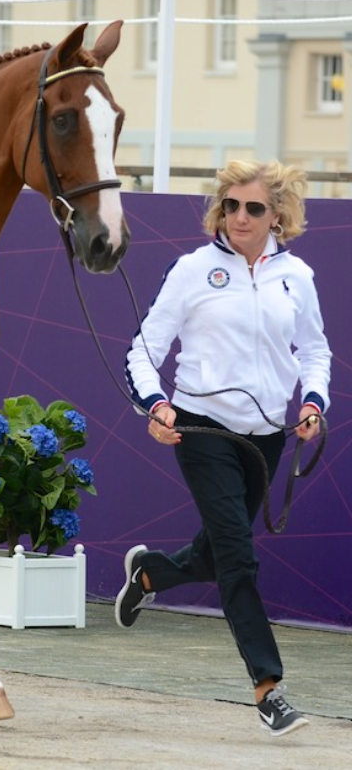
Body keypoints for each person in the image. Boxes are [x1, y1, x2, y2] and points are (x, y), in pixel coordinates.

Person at [120, 159, 331, 737]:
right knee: (238, 557)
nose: (240, 217)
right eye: (231, 205)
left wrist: (314, 402)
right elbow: (143, 350)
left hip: (266, 438)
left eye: (254, 208)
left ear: (277, 215)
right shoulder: (193, 270)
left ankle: (149, 575)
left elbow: (315, 351)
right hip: (201, 429)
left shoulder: (297, 277)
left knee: (218, 553)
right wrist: (156, 406)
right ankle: (269, 689)